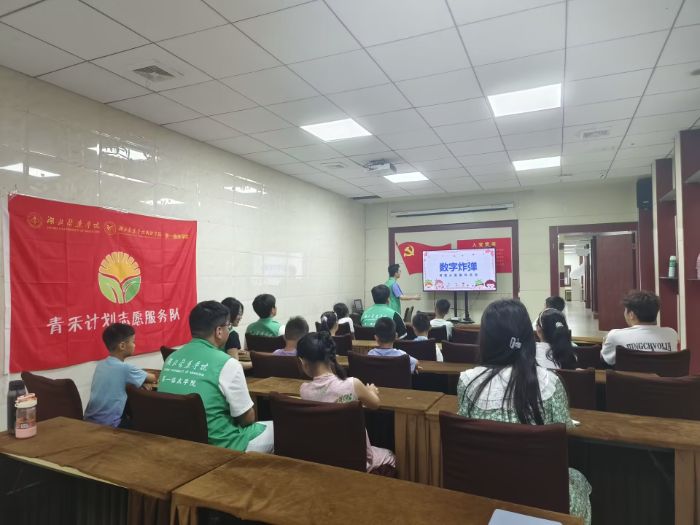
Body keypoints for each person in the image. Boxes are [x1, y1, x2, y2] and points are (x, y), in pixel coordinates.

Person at [457, 299, 591, 524]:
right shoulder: (549, 383)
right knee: (578, 477)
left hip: (483, 487)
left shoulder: (467, 381)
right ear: (528, 336)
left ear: (485, 339)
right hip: (542, 497)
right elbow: (564, 432)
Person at [159, 301, 273, 452]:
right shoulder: (228, 364)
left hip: (179, 440)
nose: (229, 330)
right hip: (220, 446)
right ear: (219, 331)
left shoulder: (171, 358)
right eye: (228, 326)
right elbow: (247, 419)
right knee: (279, 428)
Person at [298, 332, 396, 472]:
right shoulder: (352, 384)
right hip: (360, 459)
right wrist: (371, 391)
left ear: (304, 363)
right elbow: (375, 404)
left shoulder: (304, 390)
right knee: (391, 455)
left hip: (325, 457)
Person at [84, 323, 157, 428]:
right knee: (149, 424)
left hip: (89, 420)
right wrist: (143, 381)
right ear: (122, 346)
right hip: (110, 424)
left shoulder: (101, 365)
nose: (135, 345)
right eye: (133, 342)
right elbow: (153, 378)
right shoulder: (126, 368)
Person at [601, 290, 679, 366]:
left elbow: (606, 361)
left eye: (625, 310)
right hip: (663, 375)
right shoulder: (671, 333)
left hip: (629, 375)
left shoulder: (615, 335)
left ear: (631, 315)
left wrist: (605, 344)